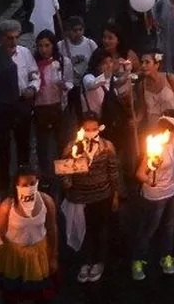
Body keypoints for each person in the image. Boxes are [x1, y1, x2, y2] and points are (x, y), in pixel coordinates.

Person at [131, 114, 174, 281]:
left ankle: (166, 257)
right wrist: (148, 179)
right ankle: (138, 261)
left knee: (169, 227)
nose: (171, 134)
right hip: (156, 196)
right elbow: (140, 174)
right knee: (149, 229)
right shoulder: (154, 147)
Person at [61, 113, 119, 284]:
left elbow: (114, 172)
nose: (91, 132)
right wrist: (66, 181)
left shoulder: (107, 147)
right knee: (83, 231)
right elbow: (65, 173)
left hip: (102, 196)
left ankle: (99, 262)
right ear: (81, 130)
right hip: (80, 198)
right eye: (87, 129)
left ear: (100, 128)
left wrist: (115, 196)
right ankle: (86, 261)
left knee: (100, 229)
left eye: (94, 129)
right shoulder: (72, 147)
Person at [0, 167, 58, 303]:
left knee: (39, 295)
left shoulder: (47, 201)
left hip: (38, 256)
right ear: (16, 186)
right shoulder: (7, 206)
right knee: (12, 295)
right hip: (13, 256)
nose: (29, 188)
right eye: (24, 185)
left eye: (32, 183)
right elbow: (0, 233)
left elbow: (52, 229)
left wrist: (54, 256)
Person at [0, 20, 38, 192]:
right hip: (3, 107)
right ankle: (4, 183)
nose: (14, 42)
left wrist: (32, 88)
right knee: (3, 146)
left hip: (22, 103)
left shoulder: (25, 53)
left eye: (17, 37)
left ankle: (24, 179)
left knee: (24, 143)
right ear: (2, 38)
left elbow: (34, 74)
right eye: (10, 38)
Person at [31, 30, 73, 181]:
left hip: (58, 106)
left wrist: (64, 86)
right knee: (42, 144)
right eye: (40, 46)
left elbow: (70, 82)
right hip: (40, 107)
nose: (43, 49)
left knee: (62, 140)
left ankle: (65, 174)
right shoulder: (33, 63)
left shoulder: (63, 62)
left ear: (53, 45)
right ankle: (46, 176)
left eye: (47, 45)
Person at [134, 50, 174, 148]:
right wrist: (136, 121)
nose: (143, 65)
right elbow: (142, 110)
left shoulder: (170, 78)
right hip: (155, 129)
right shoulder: (141, 86)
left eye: (147, 62)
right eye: (142, 62)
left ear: (157, 65)